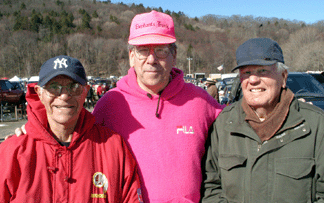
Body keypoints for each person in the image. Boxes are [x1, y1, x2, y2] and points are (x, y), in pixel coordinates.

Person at [93, 10, 224, 202]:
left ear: (174, 55)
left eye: (160, 50)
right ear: (131, 56)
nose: (151, 59)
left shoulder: (200, 101)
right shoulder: (109, 104)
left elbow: (238, 132)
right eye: (143, 50)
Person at [0, 55, 142, 202]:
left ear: (85, 91)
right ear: (39, 93)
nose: (64, 95)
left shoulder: (113, 147)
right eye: (54, 87)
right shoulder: (13, 152)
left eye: (73, 87)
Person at [202, 38, 324, 202]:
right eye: (246, 73)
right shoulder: (223, 125)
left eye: (262, 71)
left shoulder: (315, 125)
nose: (253, 80)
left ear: (283, 77)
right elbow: (211, 188)